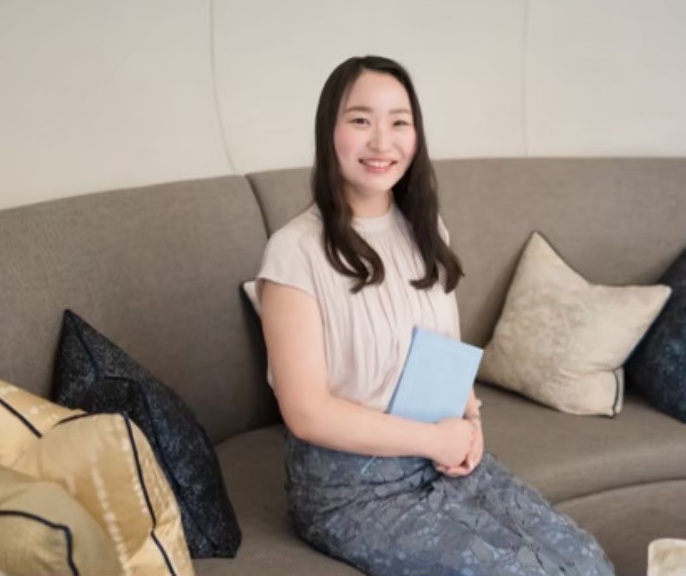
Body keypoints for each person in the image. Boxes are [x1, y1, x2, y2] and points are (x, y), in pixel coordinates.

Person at [256, 55, 614, 576]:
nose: (382, 142)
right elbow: (306, 412)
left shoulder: (424, 229)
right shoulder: (295, 252)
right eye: (361, 120)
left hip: (440, 455)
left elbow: (443, 350)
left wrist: (470, 423)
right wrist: (433, 439)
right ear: (328, 131)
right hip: (351, 491)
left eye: (399, 122)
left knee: (586, 560)